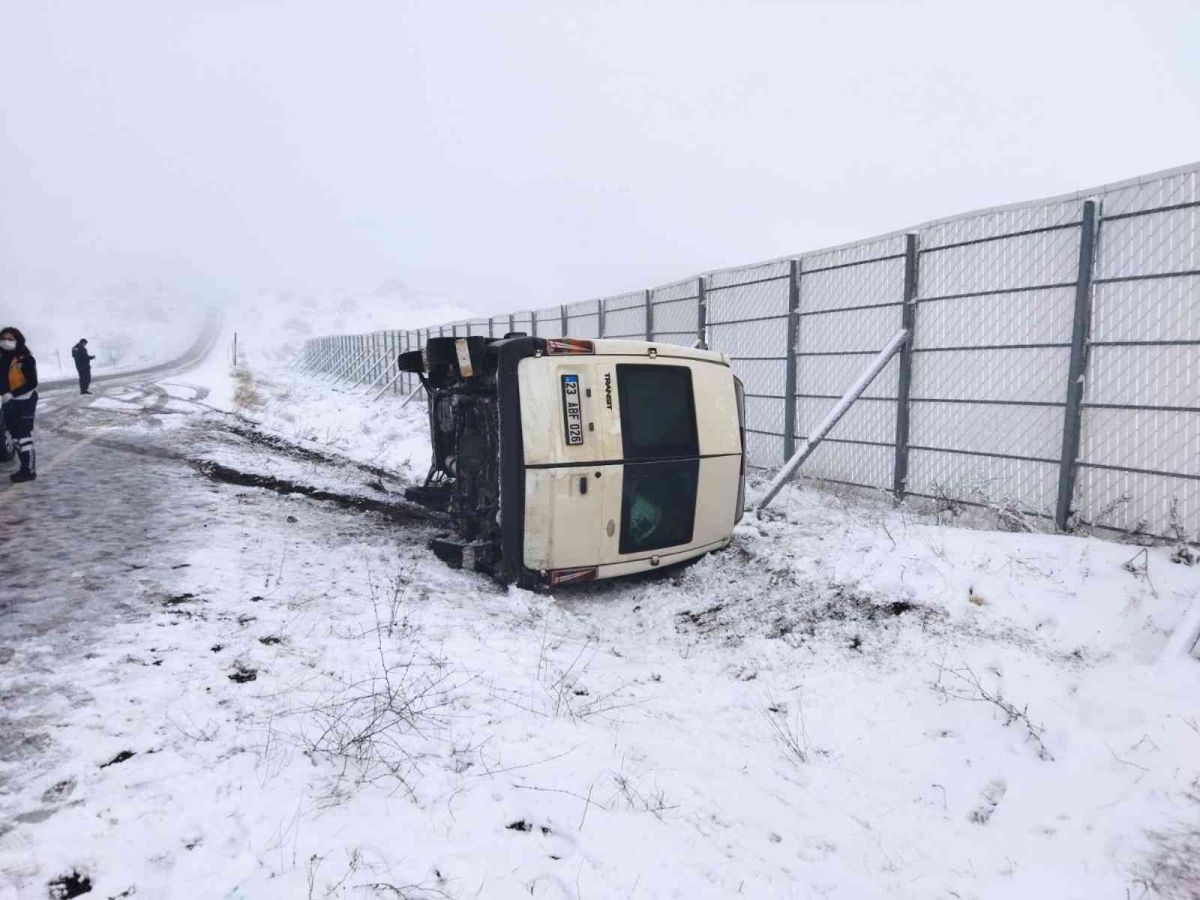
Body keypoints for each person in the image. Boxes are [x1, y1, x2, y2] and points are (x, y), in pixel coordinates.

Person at [1, 327, 39, 482]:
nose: (6, 341)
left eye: (10, 339)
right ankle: (24, 468)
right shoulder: (3, 358)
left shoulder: (26, 359)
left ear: (18, 340)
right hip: (8, 402)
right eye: (3, 338)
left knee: (23, 436)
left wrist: (13, 394)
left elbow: (32, 382)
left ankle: (29, 470)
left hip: (25, 400)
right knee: (15, 436)